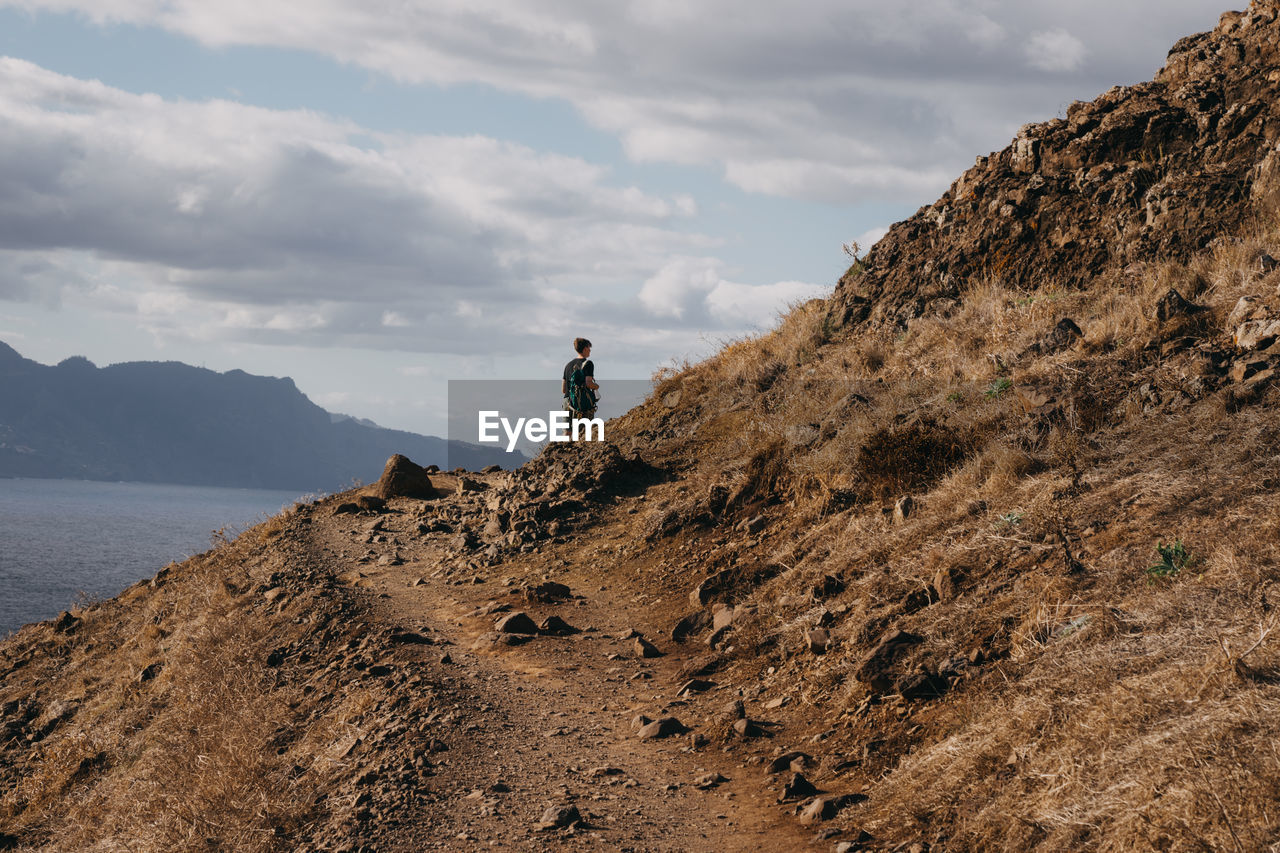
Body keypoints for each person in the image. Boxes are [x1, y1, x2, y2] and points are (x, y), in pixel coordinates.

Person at [562, 337, 599, 419]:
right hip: (581, 405)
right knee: (583, 430)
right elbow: (588, 383)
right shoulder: (588, 363)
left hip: (567, 402)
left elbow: (564, 390)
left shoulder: (568, 365)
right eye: (589, 348)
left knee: (567, 431)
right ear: (585, 348)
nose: (590, 350)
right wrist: (596, 386)